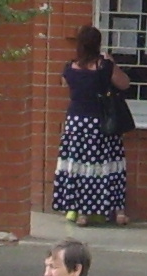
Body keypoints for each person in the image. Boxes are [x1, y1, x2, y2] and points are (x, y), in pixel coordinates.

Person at [50, 25, 130, 228]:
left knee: (79, 166)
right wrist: (112, 63)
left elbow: (64, 84)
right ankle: (116, 211)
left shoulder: (70, 67)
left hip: (76, 122)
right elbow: (124, 84)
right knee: (106, 165)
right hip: (100, 123)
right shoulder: (104, 66)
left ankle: (81, 213)